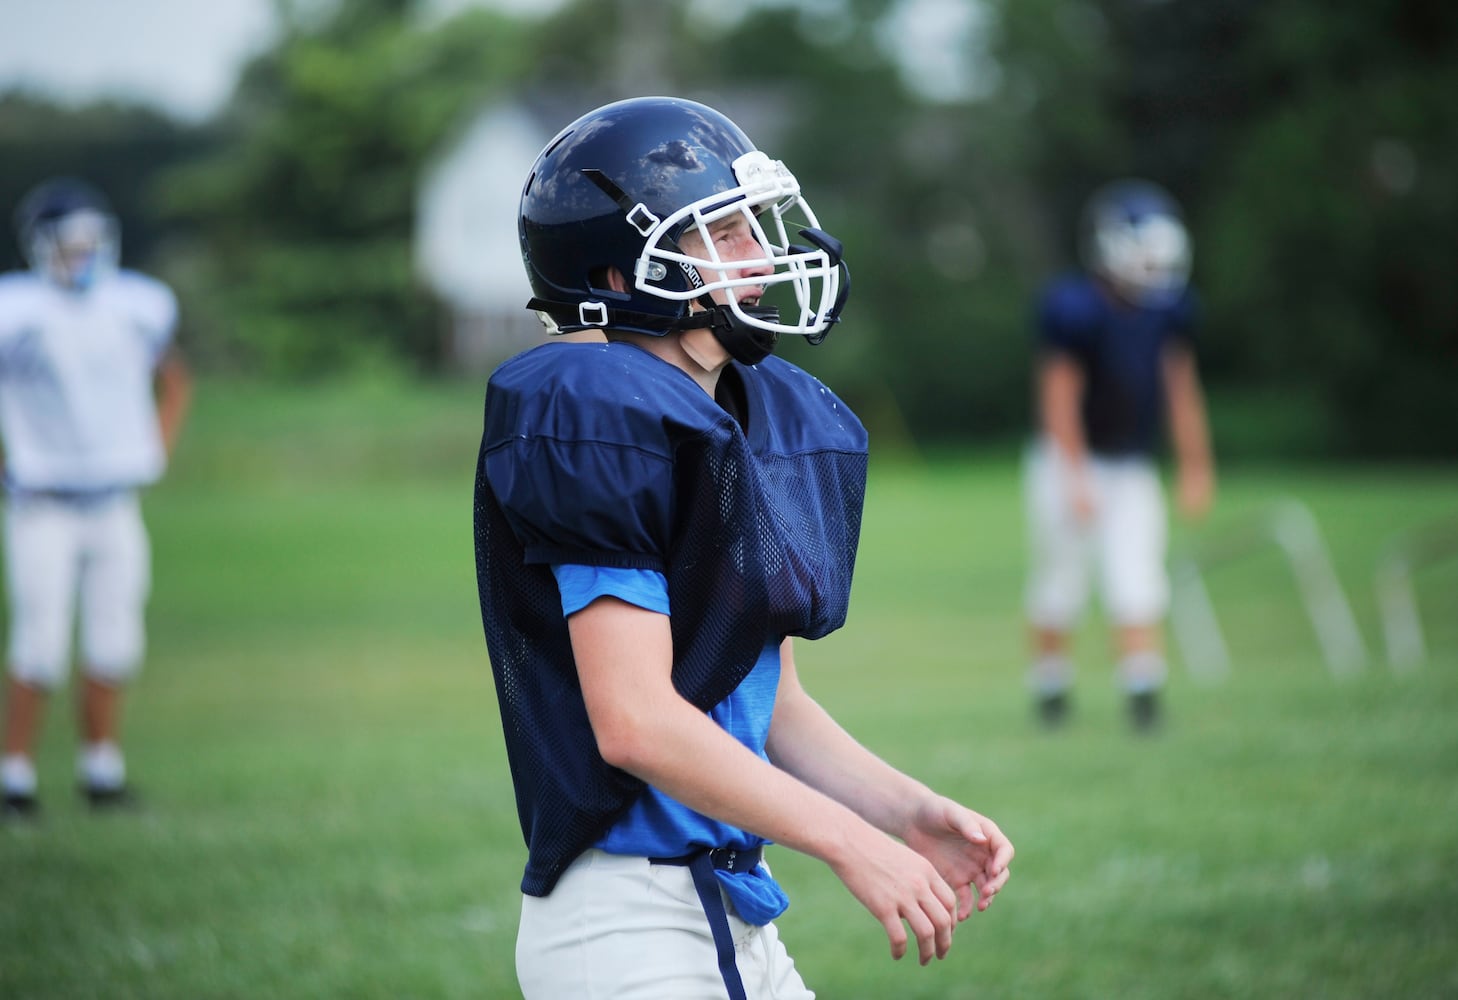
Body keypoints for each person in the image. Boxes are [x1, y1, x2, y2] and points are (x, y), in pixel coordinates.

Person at [473, 96, 1013, 999]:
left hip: (725, 908)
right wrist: (847, 843)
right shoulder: (600, 417)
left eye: (752, 228)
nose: (759, 258)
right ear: (616, 271)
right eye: (720, 235)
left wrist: (901, 811)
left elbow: (770, 703)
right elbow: (636, 720)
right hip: (629, 926)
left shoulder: (734, 418)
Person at [0, 178, 192, 817]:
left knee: (114, 640)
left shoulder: (135, 304)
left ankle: (101, 770)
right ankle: (16, 775)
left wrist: (154, 447)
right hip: (42, 501)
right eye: (67, 242)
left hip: (112, 499)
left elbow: (175, 377)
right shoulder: (18, 309)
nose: (79, 254)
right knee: (39, 643)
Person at [1022, 178, 1215, 733]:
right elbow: (1059, 398)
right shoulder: (1075, 308)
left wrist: (1195, 463)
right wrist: (1075, 476)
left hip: (1131, 463)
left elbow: (1181, 389)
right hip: (1068, 458)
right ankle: (1051, 686)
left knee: (1138, 576)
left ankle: (1142, 691)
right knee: (1062, 578)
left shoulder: (1169, 310)